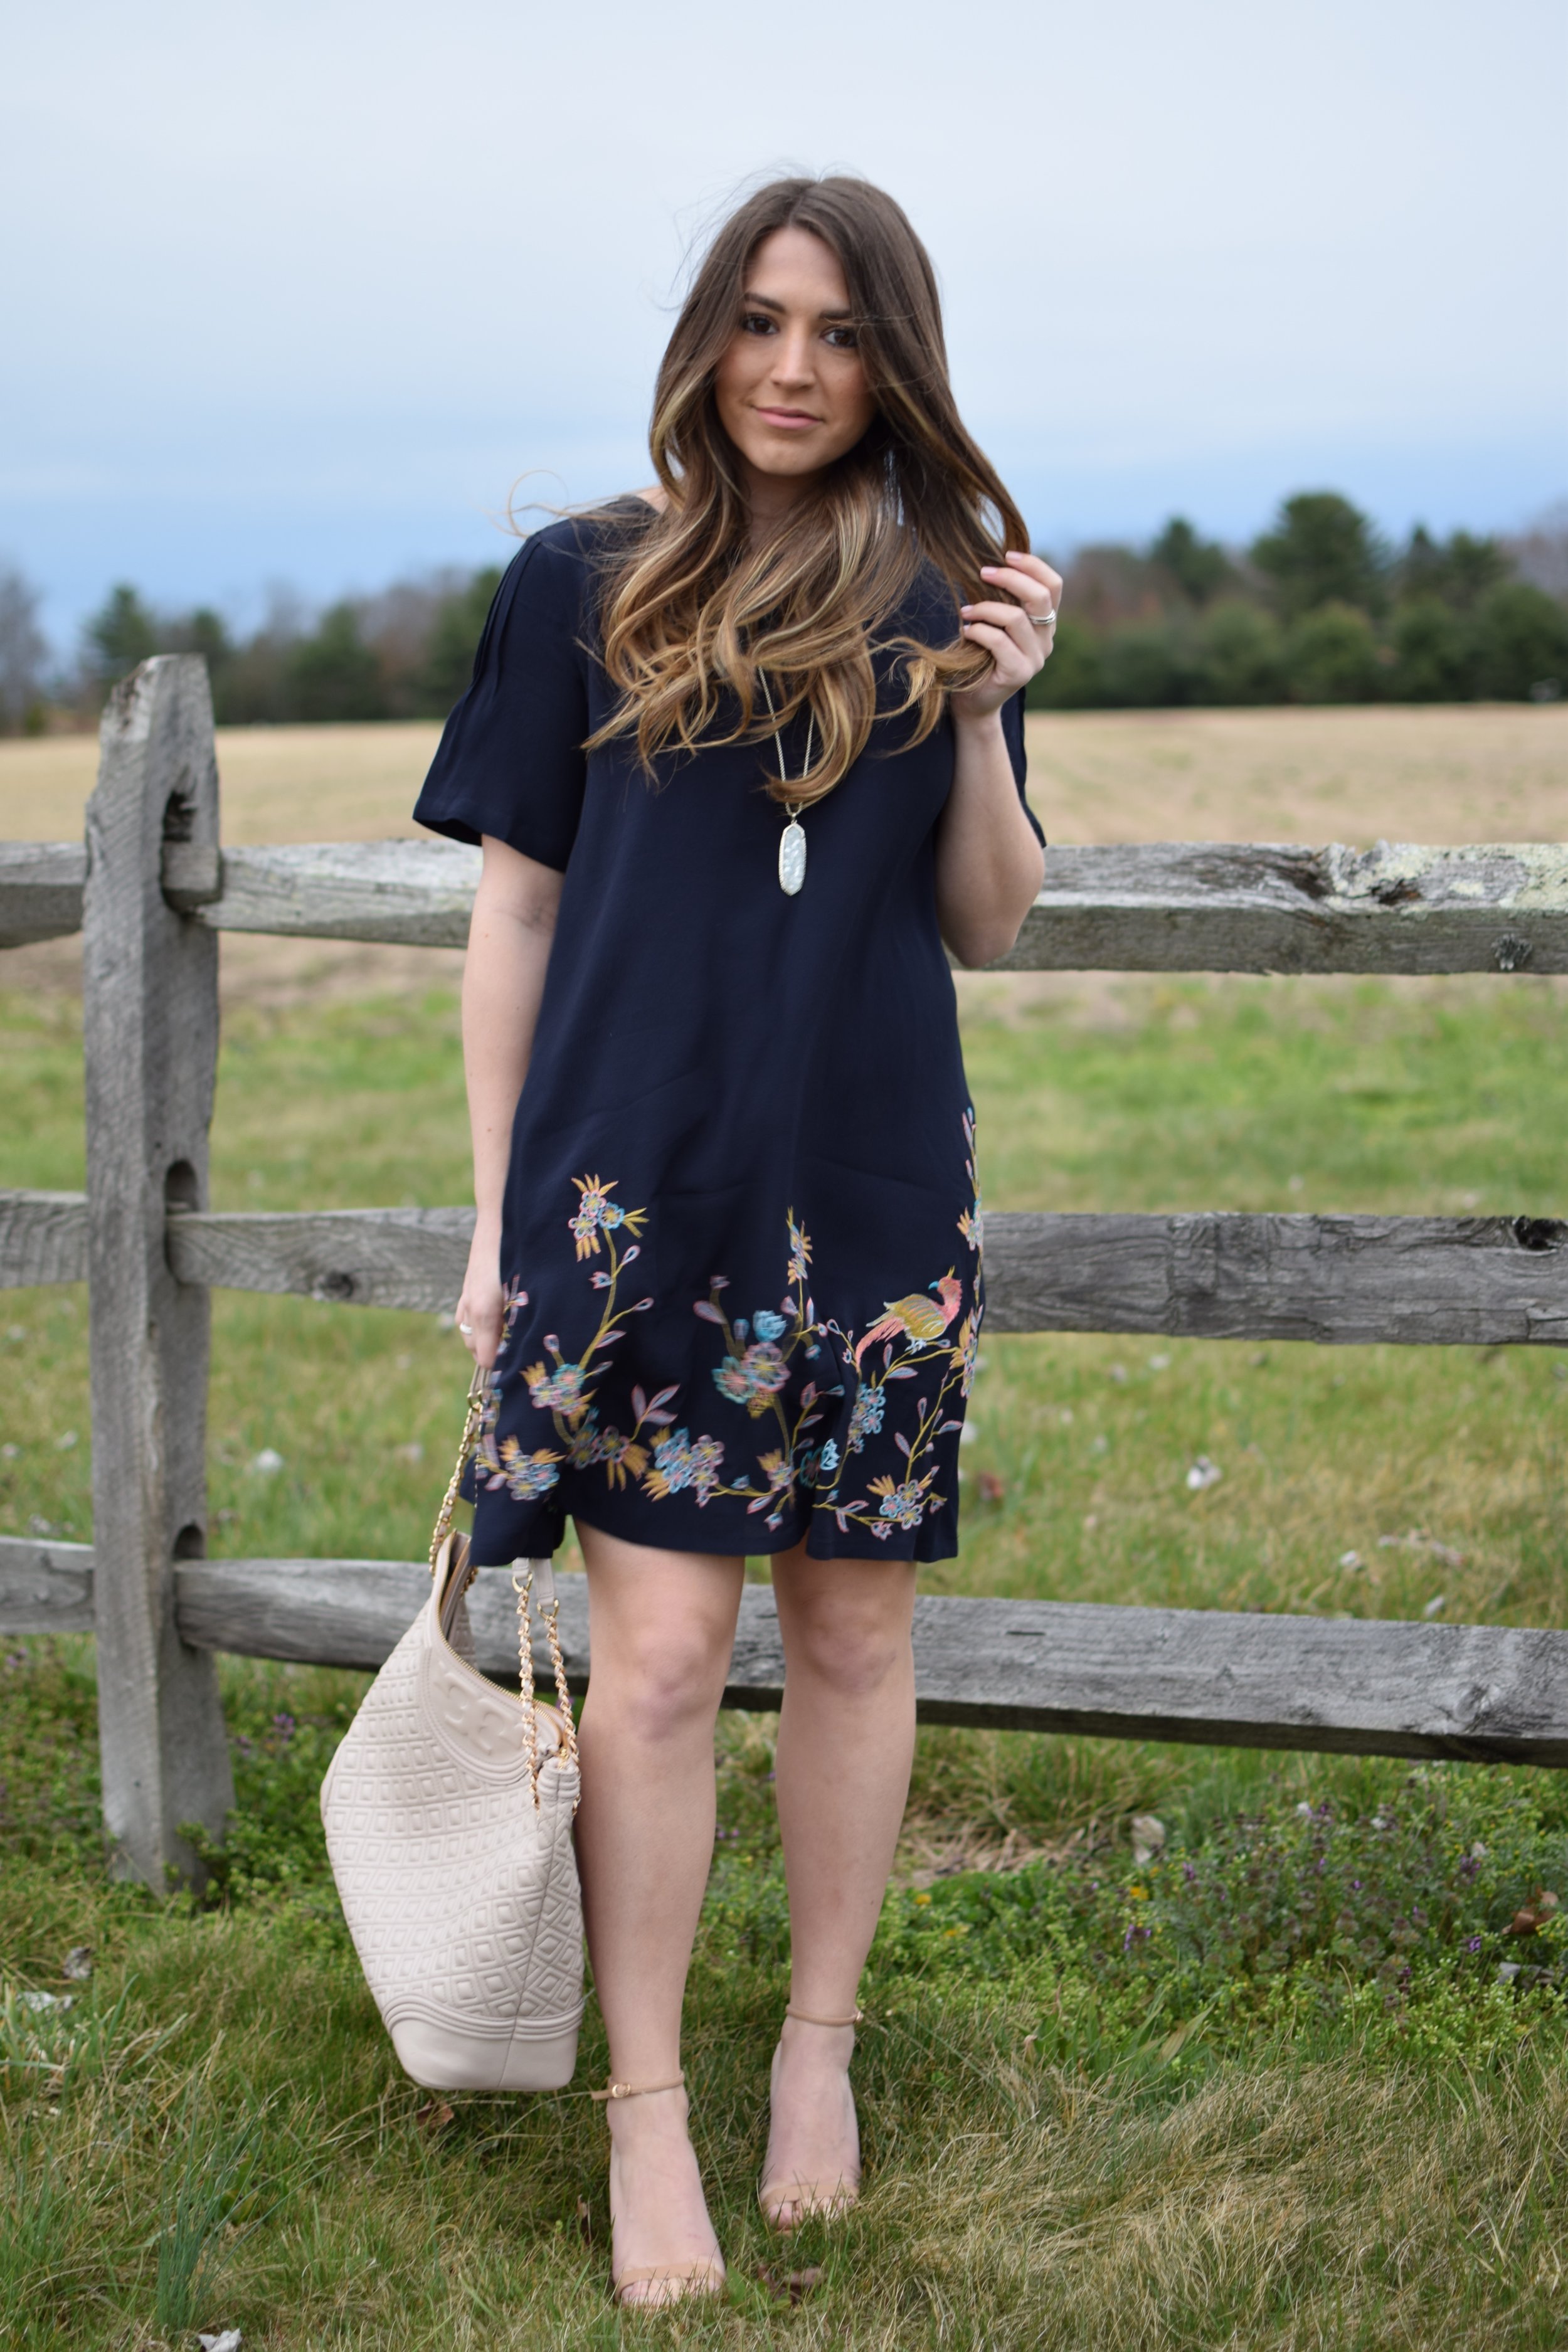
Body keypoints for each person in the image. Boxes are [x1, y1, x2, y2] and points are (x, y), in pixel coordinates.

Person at [413, 172, 1057, 2307]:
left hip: (871, 1192)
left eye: (843, 333)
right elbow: (515, 912)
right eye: (763, 322)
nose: (795, 369)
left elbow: (981, 919)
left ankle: (816, 2053)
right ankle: (645, 2113)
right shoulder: (579, 579)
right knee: (667, 1665)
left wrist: (977, 712)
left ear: (899, 362)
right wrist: (500, 1218)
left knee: (857, 1639)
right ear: (709, 335)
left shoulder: (952, 587)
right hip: (630, 1198)